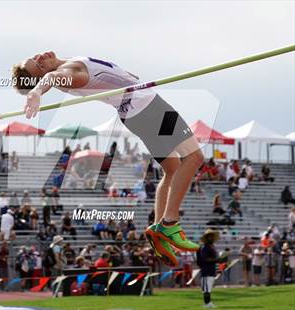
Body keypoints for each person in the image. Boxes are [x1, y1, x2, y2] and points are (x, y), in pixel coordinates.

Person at [12, 52, 204, 267]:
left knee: (172, 168)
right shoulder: (69, 73)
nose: (40, 56)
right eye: (38, 63)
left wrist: (126, 76)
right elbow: (53, 78)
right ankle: (169, 223)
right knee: (194, 157)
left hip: (135, 113)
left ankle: (158, 230)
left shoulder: (70, 66)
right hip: (150, 108)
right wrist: (37, 91)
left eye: (34, 56)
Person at [197, 229, 220, 308]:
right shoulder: (205, 247)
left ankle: (209, 302)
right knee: (206, 288)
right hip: (206, 269)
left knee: (209, 288)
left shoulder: (211, 247)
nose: (212, 238)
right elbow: (205, 259)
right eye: (210, 236)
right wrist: (217, 260)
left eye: (212, 236)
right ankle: (206, 303)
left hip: (211, 269)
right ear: (207, 237)